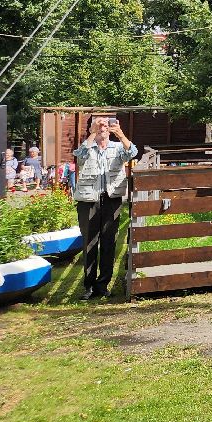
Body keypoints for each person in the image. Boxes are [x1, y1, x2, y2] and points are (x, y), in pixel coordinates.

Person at [72, 116, 138, 300]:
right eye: (98, 124)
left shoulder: (117, 147)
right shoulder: (87, 146)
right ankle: (89, 286)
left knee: (109, 243)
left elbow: (132, 152)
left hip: (111, 199)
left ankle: (103, 285)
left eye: (105, 125)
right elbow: (80, 157)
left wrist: (121, 133)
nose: (103, 127)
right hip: (88, 201)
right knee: (90, 243)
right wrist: (92, 133)